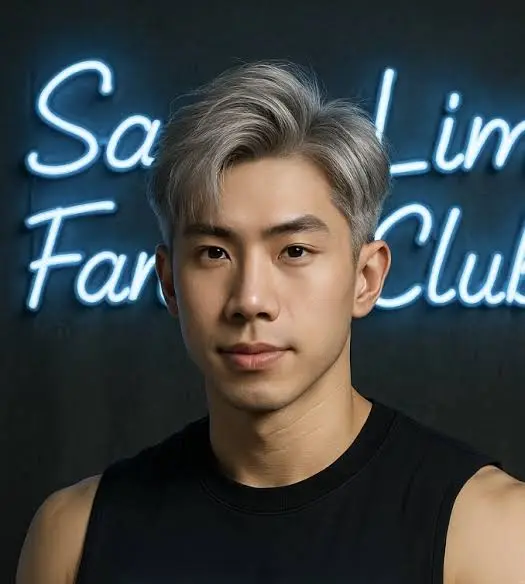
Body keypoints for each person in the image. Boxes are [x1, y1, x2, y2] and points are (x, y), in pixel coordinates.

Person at [17, 60, 525, 584]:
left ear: (366, 277)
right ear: (169, 282)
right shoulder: (72, 537)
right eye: (214, 253)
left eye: (295, 251)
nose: (251, 299)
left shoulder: (490, 533)